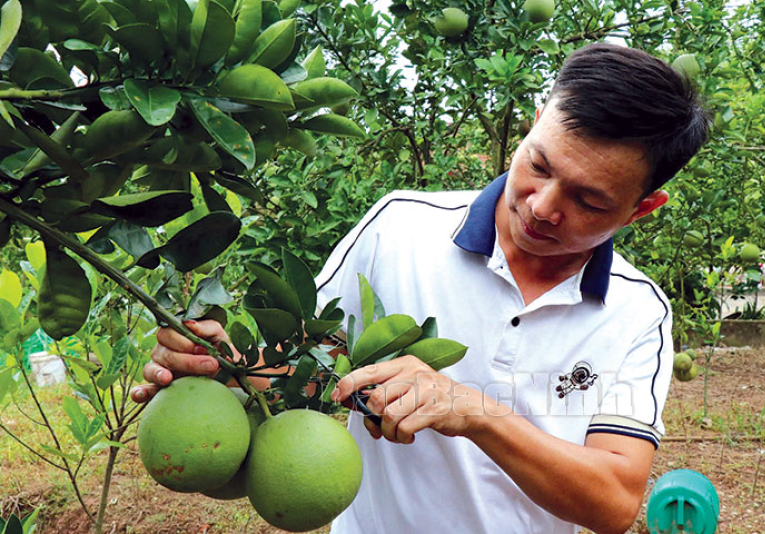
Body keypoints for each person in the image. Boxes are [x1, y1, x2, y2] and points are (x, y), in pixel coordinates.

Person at [132, 42, 711, 534]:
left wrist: (477, 413)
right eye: (539, 165)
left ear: (642, 209)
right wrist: (218, 364)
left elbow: (613, 502)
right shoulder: (400, 229)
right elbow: (306, 365)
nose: (541, 207)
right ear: (536, 121)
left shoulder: (637, 311)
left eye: (588, 201)